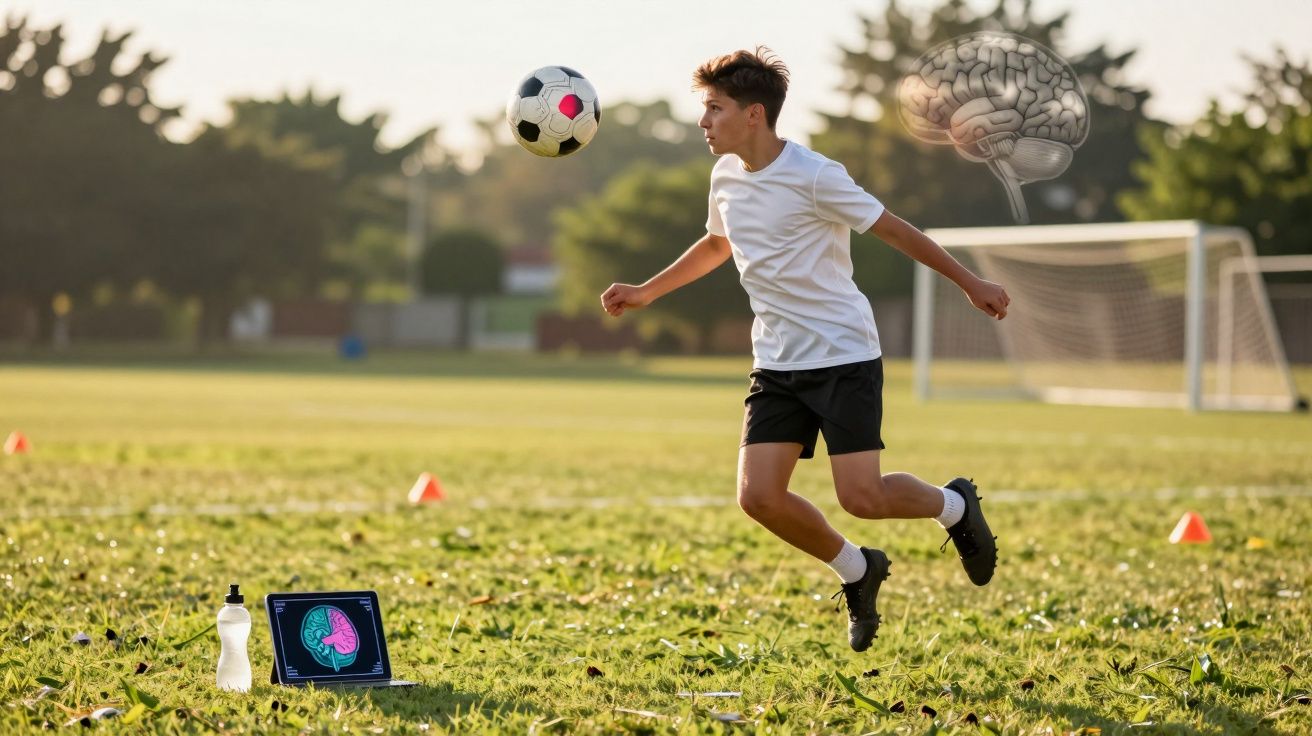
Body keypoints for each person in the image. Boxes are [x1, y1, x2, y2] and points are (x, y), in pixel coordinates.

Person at [599, 47, 1009, 652]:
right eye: (704, 109)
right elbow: (718, 244)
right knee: (758, 497)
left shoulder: (817, 174)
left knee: (862, 497)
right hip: (776, 361)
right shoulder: (725, 175)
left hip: (842, 352)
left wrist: (970, 283)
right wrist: (646, 292)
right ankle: (857, 569)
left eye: (714, 108)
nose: (703, 122)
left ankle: (953, 505)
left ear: (754, 114)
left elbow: (895, 229)